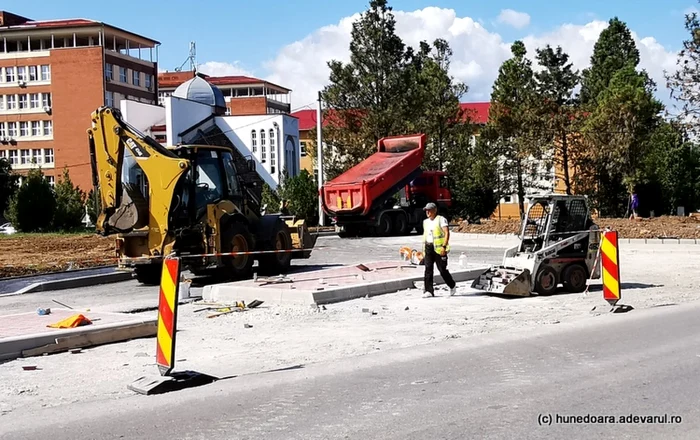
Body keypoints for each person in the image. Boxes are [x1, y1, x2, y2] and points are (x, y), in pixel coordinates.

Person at [421, 202, 457, 298]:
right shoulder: (425, 222)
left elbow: (446, 233)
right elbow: (425, 235)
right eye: (426, 210)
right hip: (428, 247)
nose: (427, 212)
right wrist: (423, 250)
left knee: (442, 270)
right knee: (428, 269)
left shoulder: (441, 220)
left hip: (439, 248)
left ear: (435, 210)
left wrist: (444, 247)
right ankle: (429, 291)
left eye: (429, 210)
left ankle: (452, 285)